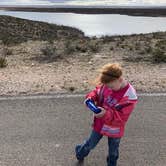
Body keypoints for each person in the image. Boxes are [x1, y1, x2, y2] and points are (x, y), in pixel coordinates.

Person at [75, 63, 138, 166]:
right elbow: (97, 92)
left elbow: (121, 117)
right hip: (100, 124)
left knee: (113, 152)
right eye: (107, 86)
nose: (110, 89)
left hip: (115, 128)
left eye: (112, 86)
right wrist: (90, 98)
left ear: (120, 79)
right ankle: (80, 152)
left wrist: (105, 114)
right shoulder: (107, 85)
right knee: (90, 144)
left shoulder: (130, 96)